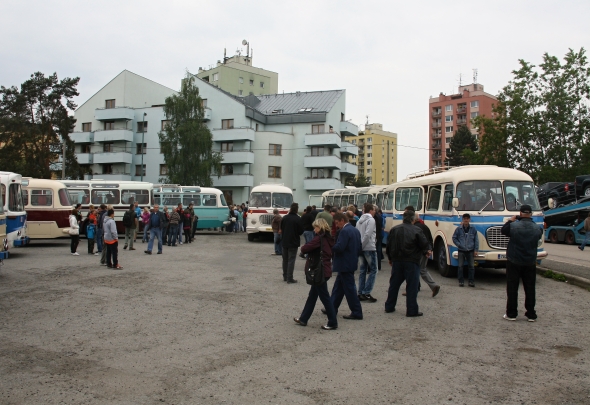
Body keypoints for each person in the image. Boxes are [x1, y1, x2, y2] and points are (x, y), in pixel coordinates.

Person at [384, 210, 430, 317]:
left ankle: (389, 306)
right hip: (412, 260)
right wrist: (426, 252)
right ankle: (411, 310)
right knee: (412, 286)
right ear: (414, 219)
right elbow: (424, 244)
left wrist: (390, 258)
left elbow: (389, 245)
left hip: (397, 260)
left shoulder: (394, 229)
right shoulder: (417, 230)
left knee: (394, 284)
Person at [294, 218, 338, 330]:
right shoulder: (329, 238)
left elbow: (305, 248)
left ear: (321, 227)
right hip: (325, 269)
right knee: (313, 296)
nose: (314, 229)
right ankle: (303, 318)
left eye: (316, 227)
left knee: (325, 298)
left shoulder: (319, 239)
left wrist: (305, 250)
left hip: (320, 271)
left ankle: (332, 322)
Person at [501, 204, 542, 322]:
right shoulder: (537, 228)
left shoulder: (513, 226)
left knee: (512, 288)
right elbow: (538, 237)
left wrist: (510, 220)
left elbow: (503, 230)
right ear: (531, 214)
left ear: (520, 213)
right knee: (530, 288)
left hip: (514, 260)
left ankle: (512, 313)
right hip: (530, 261)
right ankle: (531, 314)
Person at [325, 212, 363, 320]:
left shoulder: (344, 231)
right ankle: (332, 307)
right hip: (350, 262)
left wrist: (330, 246)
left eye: (337, 223)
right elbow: (359, 247)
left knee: (349, 289)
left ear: (342, 220)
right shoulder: (355, 230)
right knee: (338, 288)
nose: (337, 225)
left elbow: (340, 247)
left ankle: (356, 311)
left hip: (344, 263)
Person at [357, 203, 378, 303]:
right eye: (374, 209)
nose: (375, 211)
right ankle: (367, 291)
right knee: (374, 270)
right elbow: (368, 234)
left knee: (362, 270)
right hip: (369, 247)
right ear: (370, 211)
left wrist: (359, 246)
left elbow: (358, 234)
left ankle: (360, 292)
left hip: (360, 248)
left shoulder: (359, 221)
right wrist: (363, 245)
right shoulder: (371, 220)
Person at [452, 213, 479, 287]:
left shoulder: (473, 229)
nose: (466, 220)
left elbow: (476, 240)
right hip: (461, 250)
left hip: (470, 250)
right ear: (462, 220)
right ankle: (461, 281)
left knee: (471, 267)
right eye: (464, 219)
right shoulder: (458, 229)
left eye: (467, 219)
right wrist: (459, 244)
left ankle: (471, 281)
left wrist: (476, 250)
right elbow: (454, 238)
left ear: (469, 220)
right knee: (460, 266)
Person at [280, 203, 304, 283]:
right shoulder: (298, 219)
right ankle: (290, 278)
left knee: (285, 260)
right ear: (297, 209)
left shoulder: (285, 218)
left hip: (284, 241)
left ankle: (285, 276)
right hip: (293, 242)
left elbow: (281, 228)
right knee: (291, 260)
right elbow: (301, 231)